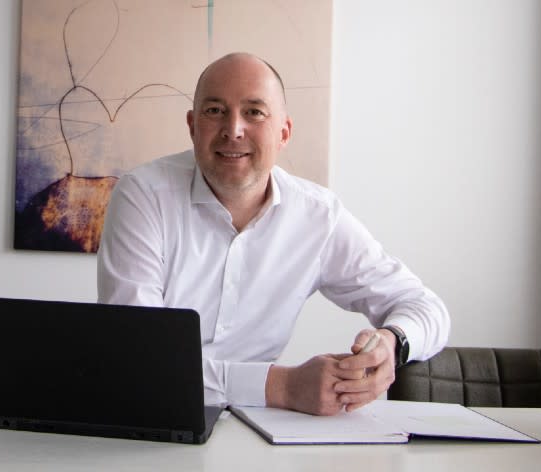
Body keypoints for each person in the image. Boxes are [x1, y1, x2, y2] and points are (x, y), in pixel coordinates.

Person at [97, 52, 449, 416]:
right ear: (192, 126)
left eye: (254, 112)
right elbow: (137, 357)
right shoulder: (143, 196)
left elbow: (427, 308)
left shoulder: (318, 216)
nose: (233, 129)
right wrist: (281, 386)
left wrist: (392, 344)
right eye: (215, 110)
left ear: (284, 132)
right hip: (150, 420)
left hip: (257, 426)